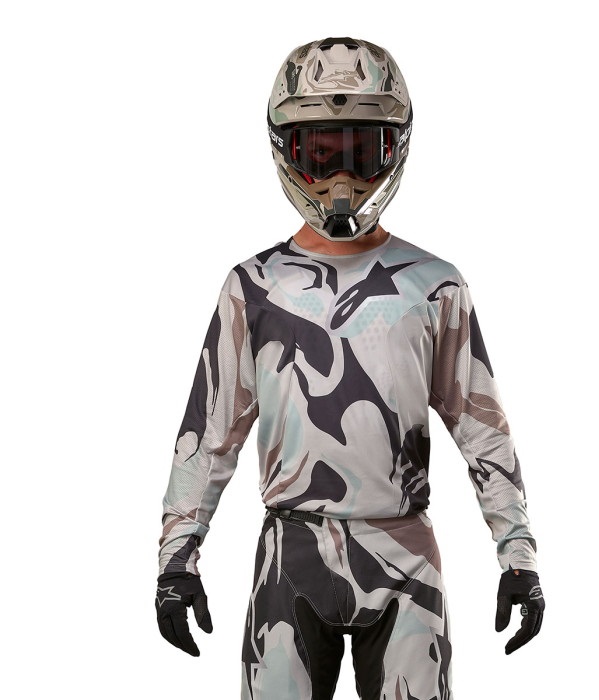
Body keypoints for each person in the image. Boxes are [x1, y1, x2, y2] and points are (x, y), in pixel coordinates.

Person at [155, 36, 545, 699]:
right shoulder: (253, 288)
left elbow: (481, 427)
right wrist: (176, 559)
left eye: (362, 152)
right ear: (288, 151)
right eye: (321, 153)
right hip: (295, 553)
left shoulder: (435, 287)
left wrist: (518, 554)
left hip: (400, 557)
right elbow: (212, 429)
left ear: (394, 149)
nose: (342, 178)